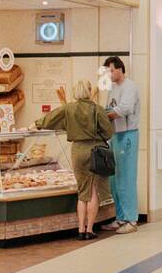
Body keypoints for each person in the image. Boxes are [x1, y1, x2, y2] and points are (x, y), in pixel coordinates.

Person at [35, 79, 114, 240]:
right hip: (94, 151)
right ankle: (90, 230)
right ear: (89, 90)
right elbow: (108, 132)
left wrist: (35, 124)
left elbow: (50, 119)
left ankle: (80, 229)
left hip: (77, 151)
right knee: (93, 191)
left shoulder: (68, 109)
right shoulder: (97, 109)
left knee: (82, 192)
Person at [99, 56, 140, 234]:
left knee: (126, 179)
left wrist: (104, 115)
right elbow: (109, 108)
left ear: (120, 69)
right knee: (114, 180)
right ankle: (120, 217)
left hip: (127, 136)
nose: (109, 74)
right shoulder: (112, 88)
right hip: (115, 136)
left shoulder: (130, 87)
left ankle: (131, 219)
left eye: (111, 70)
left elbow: (124, 109)